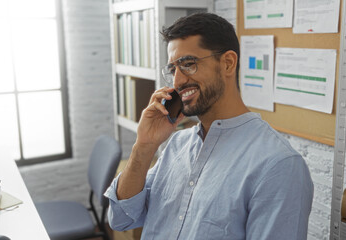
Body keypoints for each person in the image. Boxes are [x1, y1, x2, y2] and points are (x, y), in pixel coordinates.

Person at [104, 12, 314, 240]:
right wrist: (144, 146)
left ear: (228, 63)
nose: (178, 82)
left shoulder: (278, 164)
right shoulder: (177, 145)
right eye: (174, 69)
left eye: (188, 64)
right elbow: (121, 218)